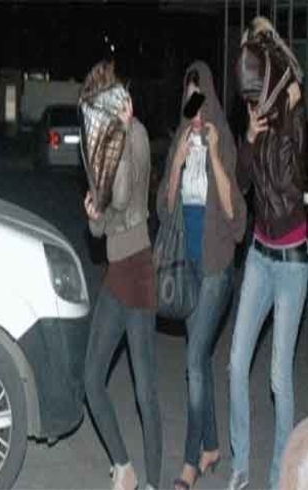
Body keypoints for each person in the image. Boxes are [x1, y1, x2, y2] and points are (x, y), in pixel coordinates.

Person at [156, 61, 246, 490]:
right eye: (188, 100)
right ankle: (211, 446)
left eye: (200, 99)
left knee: (193, 360)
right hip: (186, 266)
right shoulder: (180, 138)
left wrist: (212, 154)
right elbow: (164, 209)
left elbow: (237, 220)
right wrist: (177, 161)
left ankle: (190, 461)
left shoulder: (222, 138)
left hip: (215, 269)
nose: (194, 109)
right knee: (200, 361)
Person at [228, 16, 307, 490]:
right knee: (236, 362)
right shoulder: (254, 115)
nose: (253, 100)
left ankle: (280, 475)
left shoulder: (295, 113)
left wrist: (292, 117)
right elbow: (242, 183)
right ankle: (241, 467)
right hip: (259, 256)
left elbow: (295, 182)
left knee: (279, 376)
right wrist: (251, 138)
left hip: (293, 262)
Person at [80, 60, 161, 490]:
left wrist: (126, 133)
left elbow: (127, 196)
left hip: (139, 270)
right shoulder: (104, 145)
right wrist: (94, 216)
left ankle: (152, 483)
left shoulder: (138, 135)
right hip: (116, 272)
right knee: (92, 378)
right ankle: (124, 467)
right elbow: (101, 227)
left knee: (145, 392)